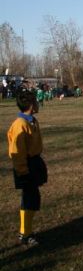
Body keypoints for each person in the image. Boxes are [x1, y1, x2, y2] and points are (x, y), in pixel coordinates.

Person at [7, 89, 47, 247]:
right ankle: (25, 233)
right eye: (36, 101)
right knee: (29, 198)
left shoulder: (32, 120)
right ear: (31, 104)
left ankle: (27, 231)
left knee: (33, 197)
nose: (38, 104)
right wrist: (23, 171)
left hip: (34, 162)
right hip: (26, 165)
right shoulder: (20, 124)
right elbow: (17, 152)